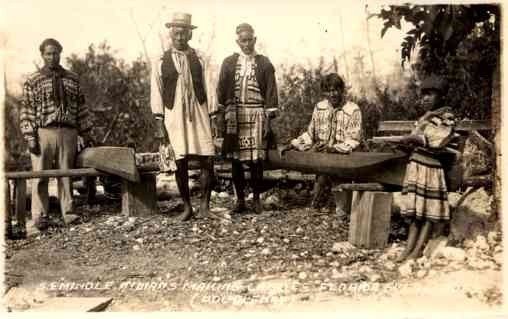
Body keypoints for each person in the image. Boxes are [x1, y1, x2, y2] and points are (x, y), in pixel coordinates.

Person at [20, 38, 92, 231]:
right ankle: (40, 215)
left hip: (68, 131)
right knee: (41, 175)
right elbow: (27, 109)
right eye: (48, 53)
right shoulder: (33, 80)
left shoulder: (72, 79)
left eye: (56, 53)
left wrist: (85, 132)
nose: (52, 57)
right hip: (44, 131)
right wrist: (30, 136)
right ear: (42, 55)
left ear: (61, 53)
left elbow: (82, 107)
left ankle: (68, 213)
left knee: (66, 174)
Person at [150, 12, 214, 221]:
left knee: (207, 158)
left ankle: (204, 206)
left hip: (199, 111)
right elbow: (156, 91)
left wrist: (213, 115)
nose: (180, 37)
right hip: (174, 114)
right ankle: (187, 208)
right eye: (176, 33)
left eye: (183, 33)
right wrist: (159, 120)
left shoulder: (201, 58)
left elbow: (210, 87)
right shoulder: (160, 60)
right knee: (180, 161)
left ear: (189, 34)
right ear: (171, 34)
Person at [396, 75, 460, 261]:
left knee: (427, 212)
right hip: (417, 166)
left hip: (431, 168)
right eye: (423, 94)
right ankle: (408, 249)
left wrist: (413, 139)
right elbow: (417, 136)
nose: (425, 98)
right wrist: (407, 142)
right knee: (416, 212)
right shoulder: (425, 117)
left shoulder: (446, 118)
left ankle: (417, 250)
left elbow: (437, 140)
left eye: (430, 94)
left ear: (441, 96)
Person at [217, 23, 278, 214]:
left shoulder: (264, 63)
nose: (246, 44)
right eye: (243, 40)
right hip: (235, 114)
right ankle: (240, 200)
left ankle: (257, 200)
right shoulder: (228, 62)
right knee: (236, 159)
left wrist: (268, 121)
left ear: (255, 39)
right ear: (238, 41)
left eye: (249, 39)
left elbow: (271, 92)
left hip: (257, 113)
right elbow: (221, 90)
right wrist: (222, 117)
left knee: (256, 160)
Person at [287, 73, 362, 213]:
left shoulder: (353, 110)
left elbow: (354, 139)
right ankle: (319, 203)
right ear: (324, 92)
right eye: (328, 90)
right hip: (323, 158)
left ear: (342, 90)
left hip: (344, 158)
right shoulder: (320, 107)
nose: (332, 94)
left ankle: (339, 206)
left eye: (336, 90)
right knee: (321, 177)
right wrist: (294, 144)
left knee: (341, 207)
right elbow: (311, 133)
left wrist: (333, 148)